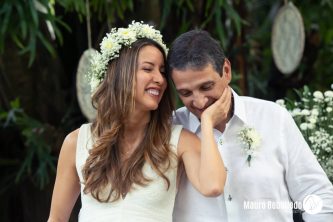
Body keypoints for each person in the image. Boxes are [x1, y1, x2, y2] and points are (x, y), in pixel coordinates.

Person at [47, 22, 227, 222]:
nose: (159, 79)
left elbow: (213, 186)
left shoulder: (179, 140)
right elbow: (56, 218)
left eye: (162, 71)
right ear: (120, 73)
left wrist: (207, 122)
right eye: (148, 69)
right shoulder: (76, 142)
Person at [168, 29, 333, 222]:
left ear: (226, 71)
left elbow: (315, 193)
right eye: (186, 93)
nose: (200, 101)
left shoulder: (273, 117)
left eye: (206, 87)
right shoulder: (169, 130)